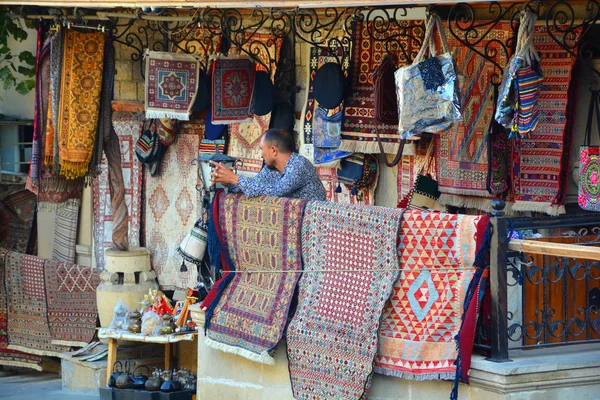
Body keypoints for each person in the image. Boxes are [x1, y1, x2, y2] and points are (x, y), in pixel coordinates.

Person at [210, 128, 327, 201]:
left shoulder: (298, 165)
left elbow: (277, 191)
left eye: (262, 149)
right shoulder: (271, 168)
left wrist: (235, 178)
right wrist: (228, 182)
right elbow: (254, 188)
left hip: (314, 224)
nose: (261, 155)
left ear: (273, 150)